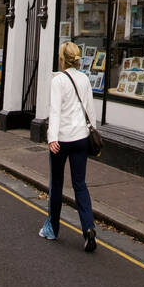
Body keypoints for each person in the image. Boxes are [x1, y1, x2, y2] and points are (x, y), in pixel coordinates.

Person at [41, 41, 99, 253]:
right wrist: (93, 130)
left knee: (56, 184)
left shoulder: (58, 80)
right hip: (81, 138)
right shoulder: (84, 79)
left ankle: (52, 228)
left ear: (62, 59)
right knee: (80, 185)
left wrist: (51, 138)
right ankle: (88, 228)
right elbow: (90, 109)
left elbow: (54, 110)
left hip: (62, 139)